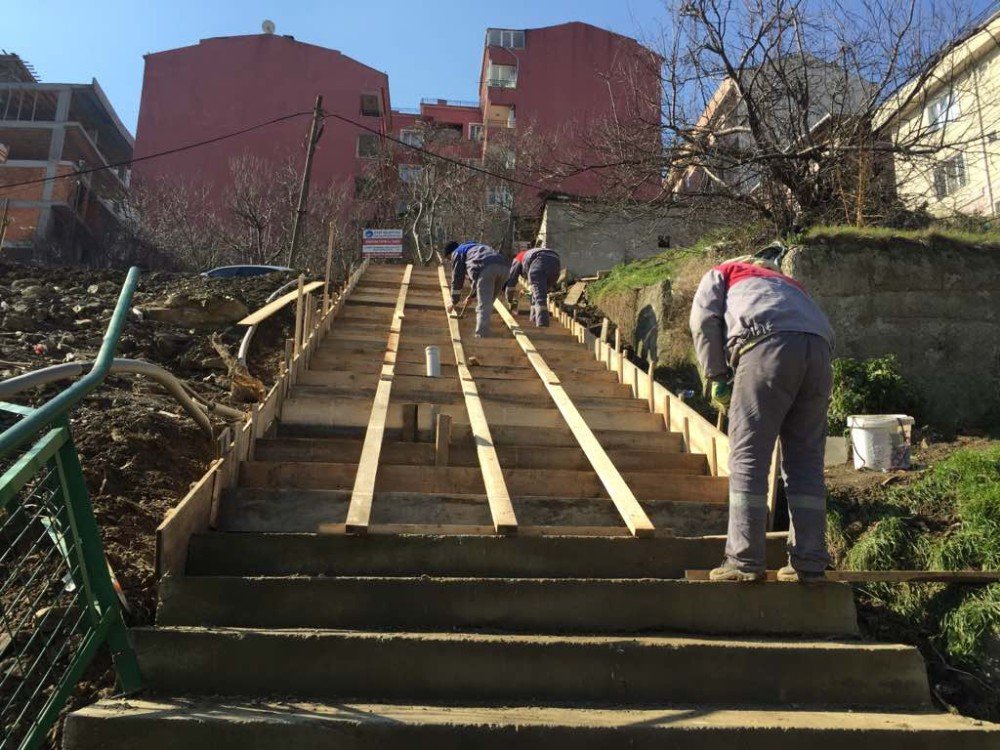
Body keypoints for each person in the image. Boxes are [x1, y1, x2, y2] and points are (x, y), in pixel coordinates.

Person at [689, 252, 835, 584]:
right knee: (806, 462)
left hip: (766, 344)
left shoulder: (723, 272)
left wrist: (716, 376)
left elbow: (702, 320)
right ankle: (809, 563)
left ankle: (743, 561)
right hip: (820, 352)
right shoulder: (790, 284)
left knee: (748, 456)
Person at [442, 241, 510, 338]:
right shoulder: (475, 247)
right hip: (504, 267)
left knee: (484, 304)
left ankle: (481, 335)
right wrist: (472, 296)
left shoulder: (457, 252)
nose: (451, 260)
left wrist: (454, 301)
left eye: (449, 258)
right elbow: (476, 279)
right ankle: (486, 330)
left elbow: (457, 278)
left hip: (487, 268)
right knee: (489, 301)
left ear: (450, 253)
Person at [505, 246, 561, 327]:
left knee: (540, 298)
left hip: (540, 263)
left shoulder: (518, 258)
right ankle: (533, 321)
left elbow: (511, 283)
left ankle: (542, 326)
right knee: (537, 295)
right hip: (555, 264)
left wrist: (509, 300)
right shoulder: (529, 254)